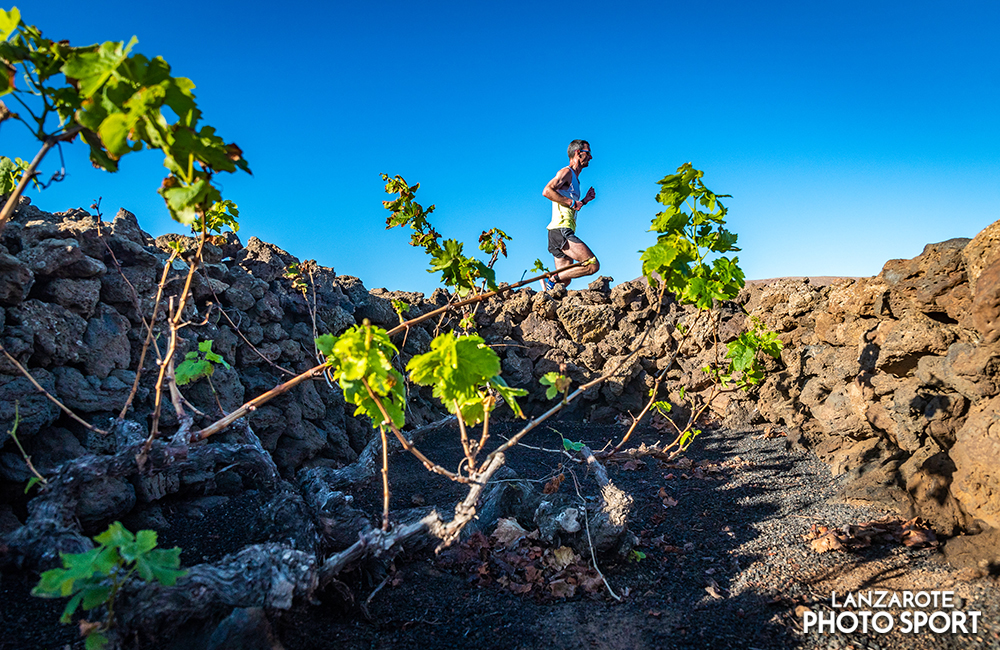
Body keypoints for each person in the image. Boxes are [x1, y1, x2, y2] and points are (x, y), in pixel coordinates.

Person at [542, 139, 599, 290]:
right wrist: (572, 203)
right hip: (561, 230)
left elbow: (570, 204)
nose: (591, 157)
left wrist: (584, 201)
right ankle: (552, 277)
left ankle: (547, 293)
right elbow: (547, 191)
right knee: (592, 264)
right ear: (578, 153)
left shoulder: (575, 179)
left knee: (564, 281)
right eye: (588, 153)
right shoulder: (566, 172)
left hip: (557, 231)